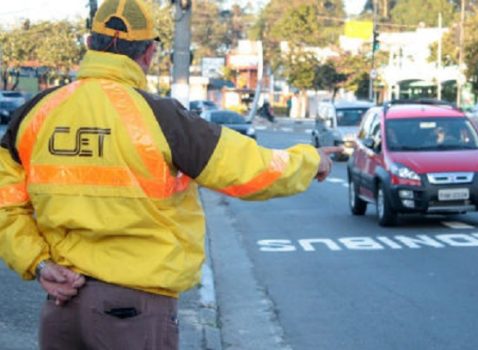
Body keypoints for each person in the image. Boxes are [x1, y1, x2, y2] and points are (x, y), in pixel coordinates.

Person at [0, 0, 342, 349]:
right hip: (133, 314)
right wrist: (309, 160)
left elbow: (5, 205)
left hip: (61, 308)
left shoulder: (34, 114)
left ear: (90, 44)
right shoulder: (159, 117)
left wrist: (38, 264)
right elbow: (246, 169)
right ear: (148, 53)